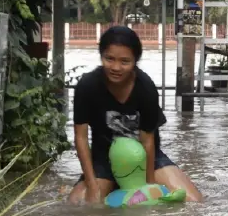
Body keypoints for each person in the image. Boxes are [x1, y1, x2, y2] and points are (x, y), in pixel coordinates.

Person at [69, 26, 203, 204]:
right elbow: (81, 138)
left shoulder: (145, 87)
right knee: (78, 204)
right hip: (104, 159)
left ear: (135, 61)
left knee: (194, 201)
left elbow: (148, 141)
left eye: (125, 61)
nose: (116, 67)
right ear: (101, 56)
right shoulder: (87, 86)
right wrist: (92, 185)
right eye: (109, 59)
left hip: (145, 158)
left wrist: (148, 186)